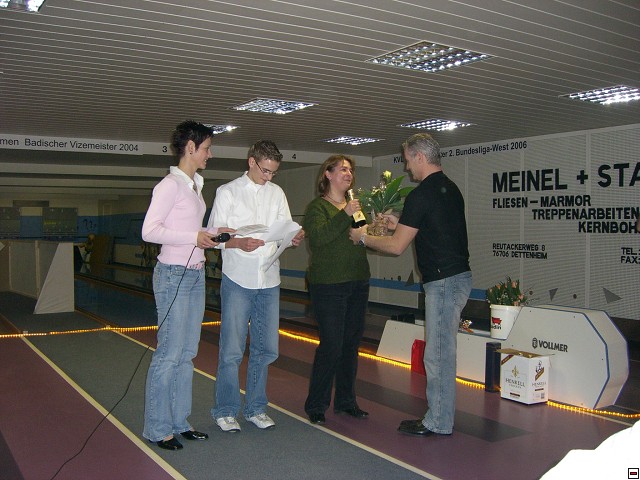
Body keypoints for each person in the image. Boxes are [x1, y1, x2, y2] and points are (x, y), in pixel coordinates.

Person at [349, 133, 472, 436]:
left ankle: (438, 421)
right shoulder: (449, 188)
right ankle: (440, 416)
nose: (406, 167)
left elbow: (396, 246)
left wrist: (363, 237)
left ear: (419, 156)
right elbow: (433, 225)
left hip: (443, 282)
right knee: (442, 352)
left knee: (438, 354)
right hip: (458, 277)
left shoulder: (422, 194)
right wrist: (399, 222)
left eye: (407, 160)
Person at [141, 120, 232, 451]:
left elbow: (191, 230)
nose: (210, 154)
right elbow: (150, 231)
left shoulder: (195, 185)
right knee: (169, 354)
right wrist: (194, 236)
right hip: (172, 275)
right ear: (190, 148)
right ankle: (157, 428)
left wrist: (216, 232)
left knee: (187, 354)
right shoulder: (170, 185)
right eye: (207, 148)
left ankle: (179, 422)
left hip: (195, 273)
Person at [207, 140, 304, 432]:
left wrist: (293, 239)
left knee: (266, 349)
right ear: (252, 162)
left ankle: (255, 408)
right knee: (232, 350)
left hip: (269, 279)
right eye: (265, 171)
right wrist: (238, 243)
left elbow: (285, 230)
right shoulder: (227, 192)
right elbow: (214, 237)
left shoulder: (277, 193)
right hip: (238, 278)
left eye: (273, 172)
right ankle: (225, 410)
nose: (269, 177)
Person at [303, 155, 371, 425]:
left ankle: (346, 401)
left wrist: (372, 229)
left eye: (350, 170)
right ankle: (316, 404)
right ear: (328, 174)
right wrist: (345, 214)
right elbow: (318, 239)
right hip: (328, 285)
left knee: (350, 345)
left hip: (358, 281)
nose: (348, 173)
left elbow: (361, 238)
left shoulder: (355, 206)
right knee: (331, 345)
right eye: (342, 169)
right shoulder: (317, 207)